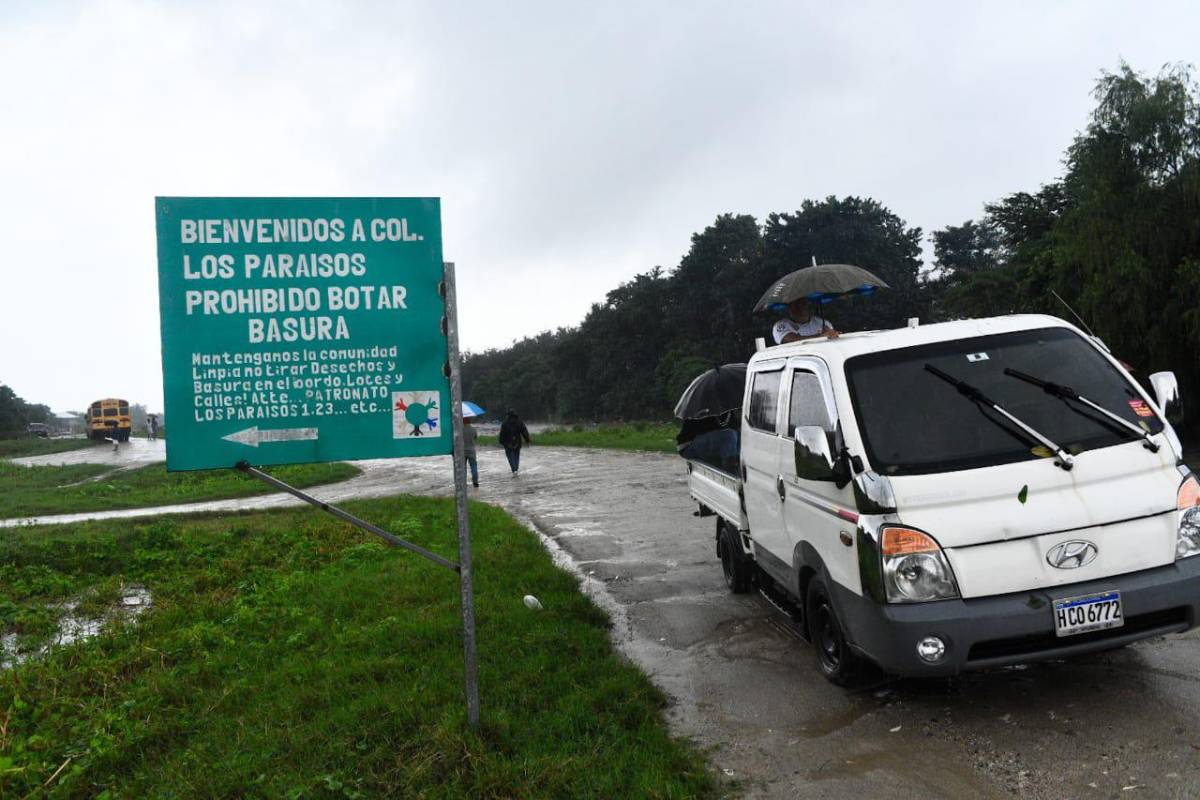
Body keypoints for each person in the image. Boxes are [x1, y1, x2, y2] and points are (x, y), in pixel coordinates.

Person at [773, 298, 840, 345]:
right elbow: (791, 341)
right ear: (789, 307)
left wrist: (832, 334)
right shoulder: (781, 325)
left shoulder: (822, 322)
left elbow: (834, 338)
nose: (800, 306)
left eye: (803, 303)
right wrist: (821, 336)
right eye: (796, 304)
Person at [498, 410, 531, 476]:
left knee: (510, 457)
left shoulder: (505, 423)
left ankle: (514, 470)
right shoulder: (520, 422)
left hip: (508, 443)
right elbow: (524, 432)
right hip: (517, 442)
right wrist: (527, 440)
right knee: (516, 456)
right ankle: (516, 469)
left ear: (508, 415)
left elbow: (502, 434)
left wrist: (501, 442)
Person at [462, 416, 480, 487]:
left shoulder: (460, 429)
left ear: (463, 422)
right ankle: (475, 482)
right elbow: (475, 437)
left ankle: (463, 482)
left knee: (463, 467)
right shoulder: (473, 429)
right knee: (473, 466)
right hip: (472, 450)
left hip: (462, 450)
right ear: (470, 422)